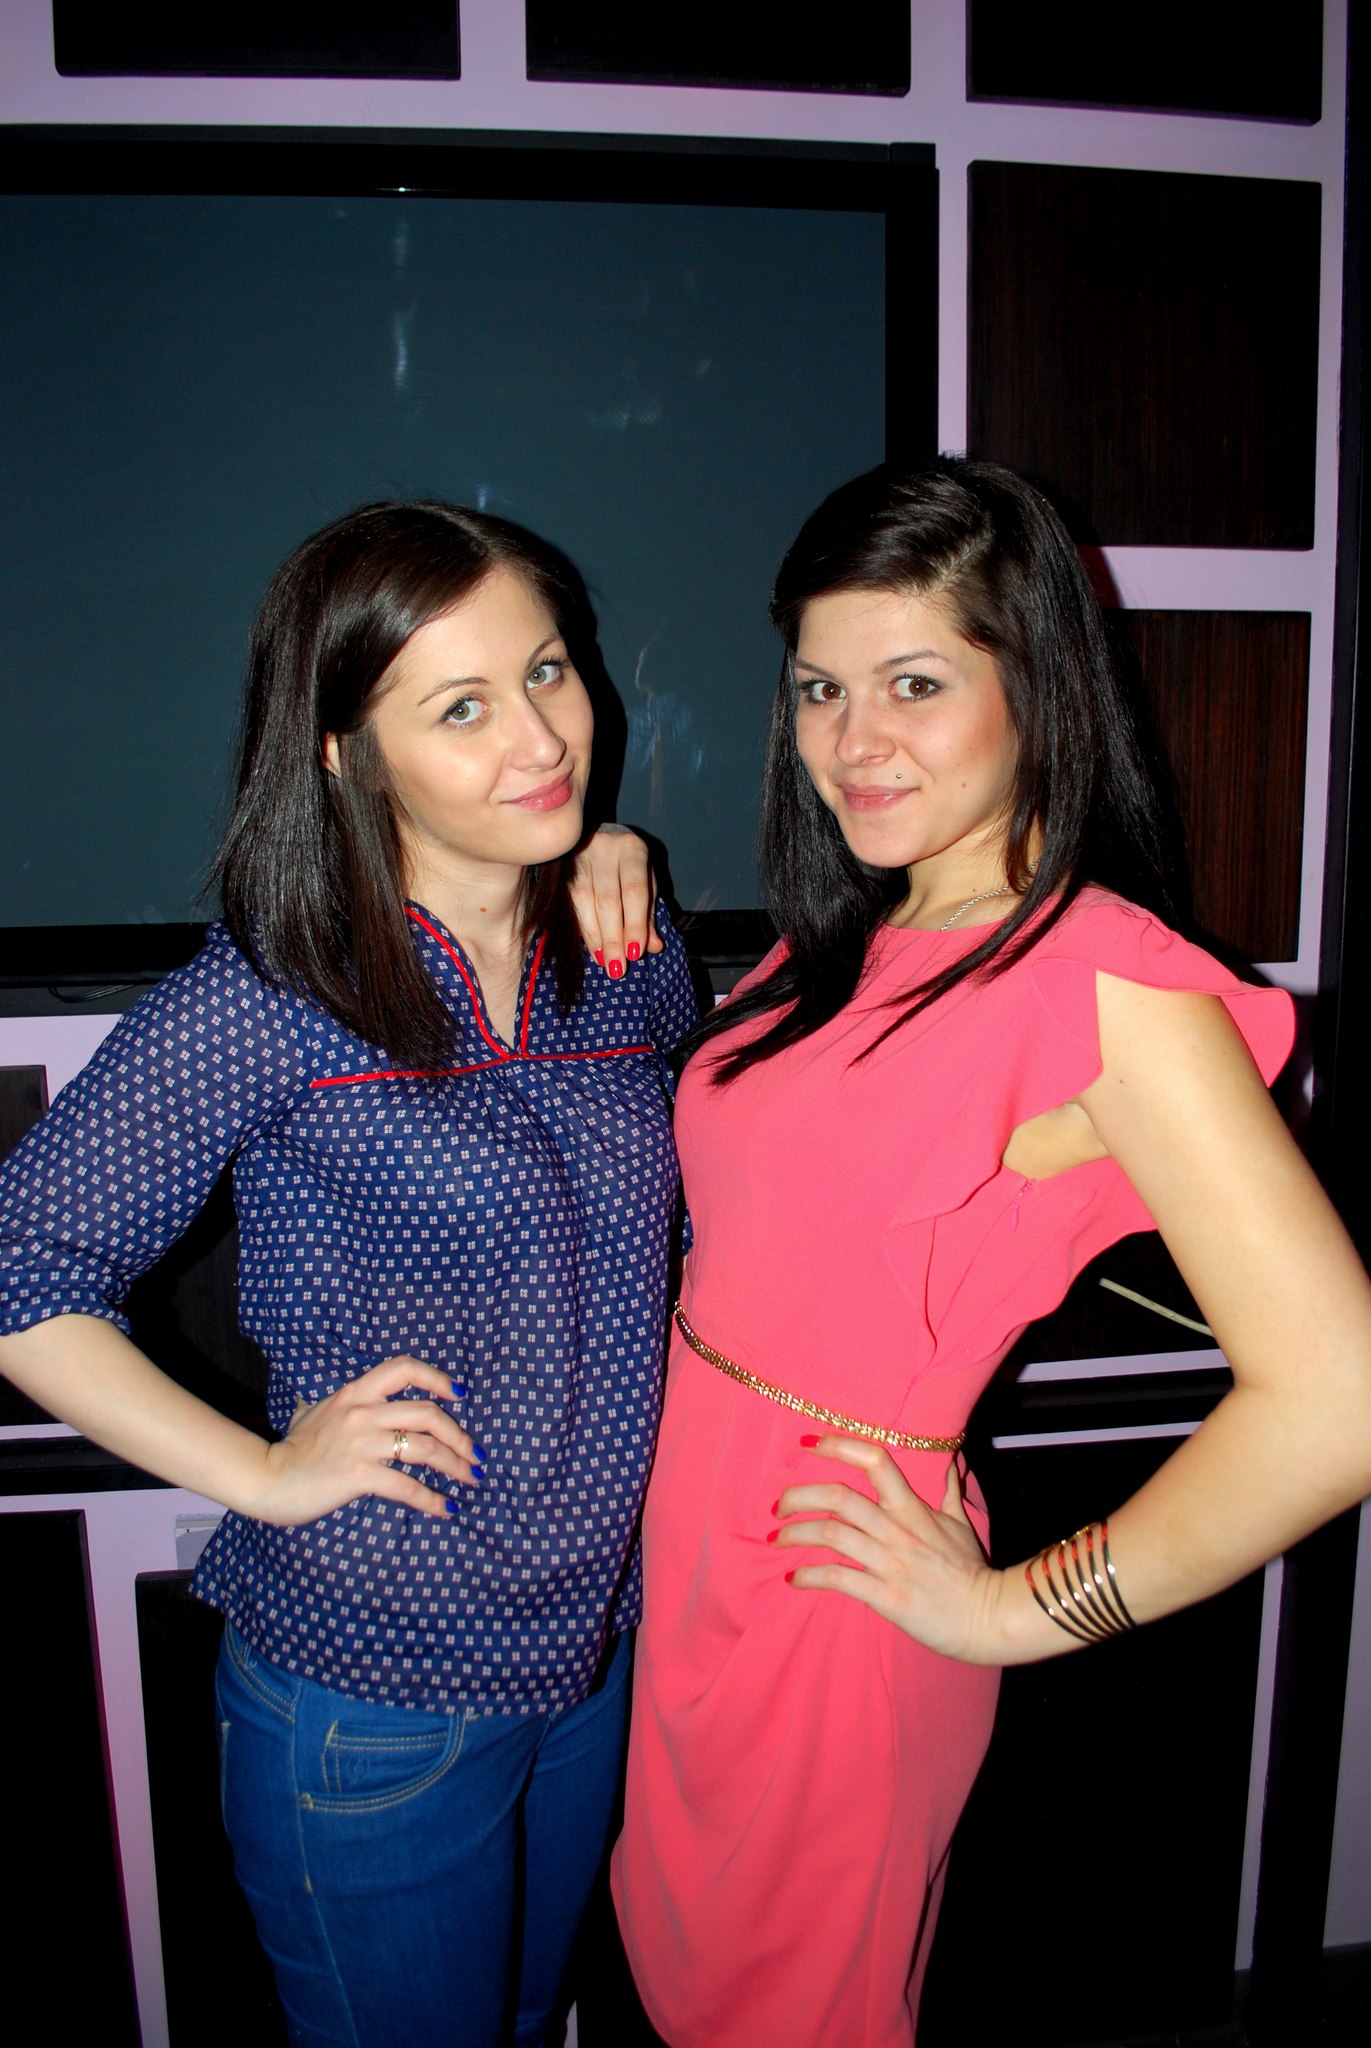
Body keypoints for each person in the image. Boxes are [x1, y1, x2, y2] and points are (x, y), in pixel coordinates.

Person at [611, 457, 1371, 2048]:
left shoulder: (1105, 980)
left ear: (1037, 688)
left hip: (837, 1596)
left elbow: (1342, 1400)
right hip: (700, 1566)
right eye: (820, 688)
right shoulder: (858, 934)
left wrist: (1020, 1611)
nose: (853, 743)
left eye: (915, 684)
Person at [0, 501, 696, 2048]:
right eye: (461, 709)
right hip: (374, 1696)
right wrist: (259, 1470)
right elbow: (19, 1268)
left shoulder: (626, 953)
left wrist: (620, 856)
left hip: (592, 1655)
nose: (542, 739)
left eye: (549, 671)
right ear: (346, 755)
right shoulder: (276, 994)